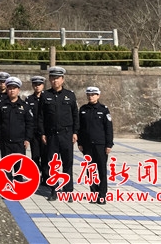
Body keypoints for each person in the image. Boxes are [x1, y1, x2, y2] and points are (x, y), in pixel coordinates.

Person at [38, 66, 79, 201]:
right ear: (50, 80)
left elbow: (75, 115)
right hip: (52, 135)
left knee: (67, 163)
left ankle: (68, 191)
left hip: (66, 134)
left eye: (57, 78)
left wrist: (75, 132)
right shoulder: (45, 95)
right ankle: (54, 191)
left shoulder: (70, 95)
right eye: (53, 78)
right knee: (53, 164)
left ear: (62, 79)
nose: (55, 81)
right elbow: (41, 116)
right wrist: (42, 133)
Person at [77, 86, 114, 205]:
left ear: (98, 96)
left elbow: (109, 128)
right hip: (87, 145)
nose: (91, 97)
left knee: (102, 171)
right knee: (90, 171)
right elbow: (80, 128)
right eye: (89, 94)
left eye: (93, 95)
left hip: (100, 145)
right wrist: (80, 143)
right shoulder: (83, 109)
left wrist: (109, 144)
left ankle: (102, 195)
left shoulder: (103, 110)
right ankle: (94, 193)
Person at [0, 77, 34, 157]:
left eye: (14, 88)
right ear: (7, 90)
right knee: (6, 164)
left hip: (19, 142)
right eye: (10, 88)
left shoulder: (24, 106)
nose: (12, 91)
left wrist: (27, 139)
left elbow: (29, 124)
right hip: (5, 142)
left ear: (18, 90)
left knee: (19, 164)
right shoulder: (1, 105)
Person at [25, 75, 46, 174]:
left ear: (43, 85)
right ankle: (37, 174)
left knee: (45, 156)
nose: (37, 86)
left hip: (45, 132)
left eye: (39, 84)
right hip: (34, 133)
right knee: (35, 156)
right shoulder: (29, 99)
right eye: (35, 84)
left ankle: (45, 176)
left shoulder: (47, 98)